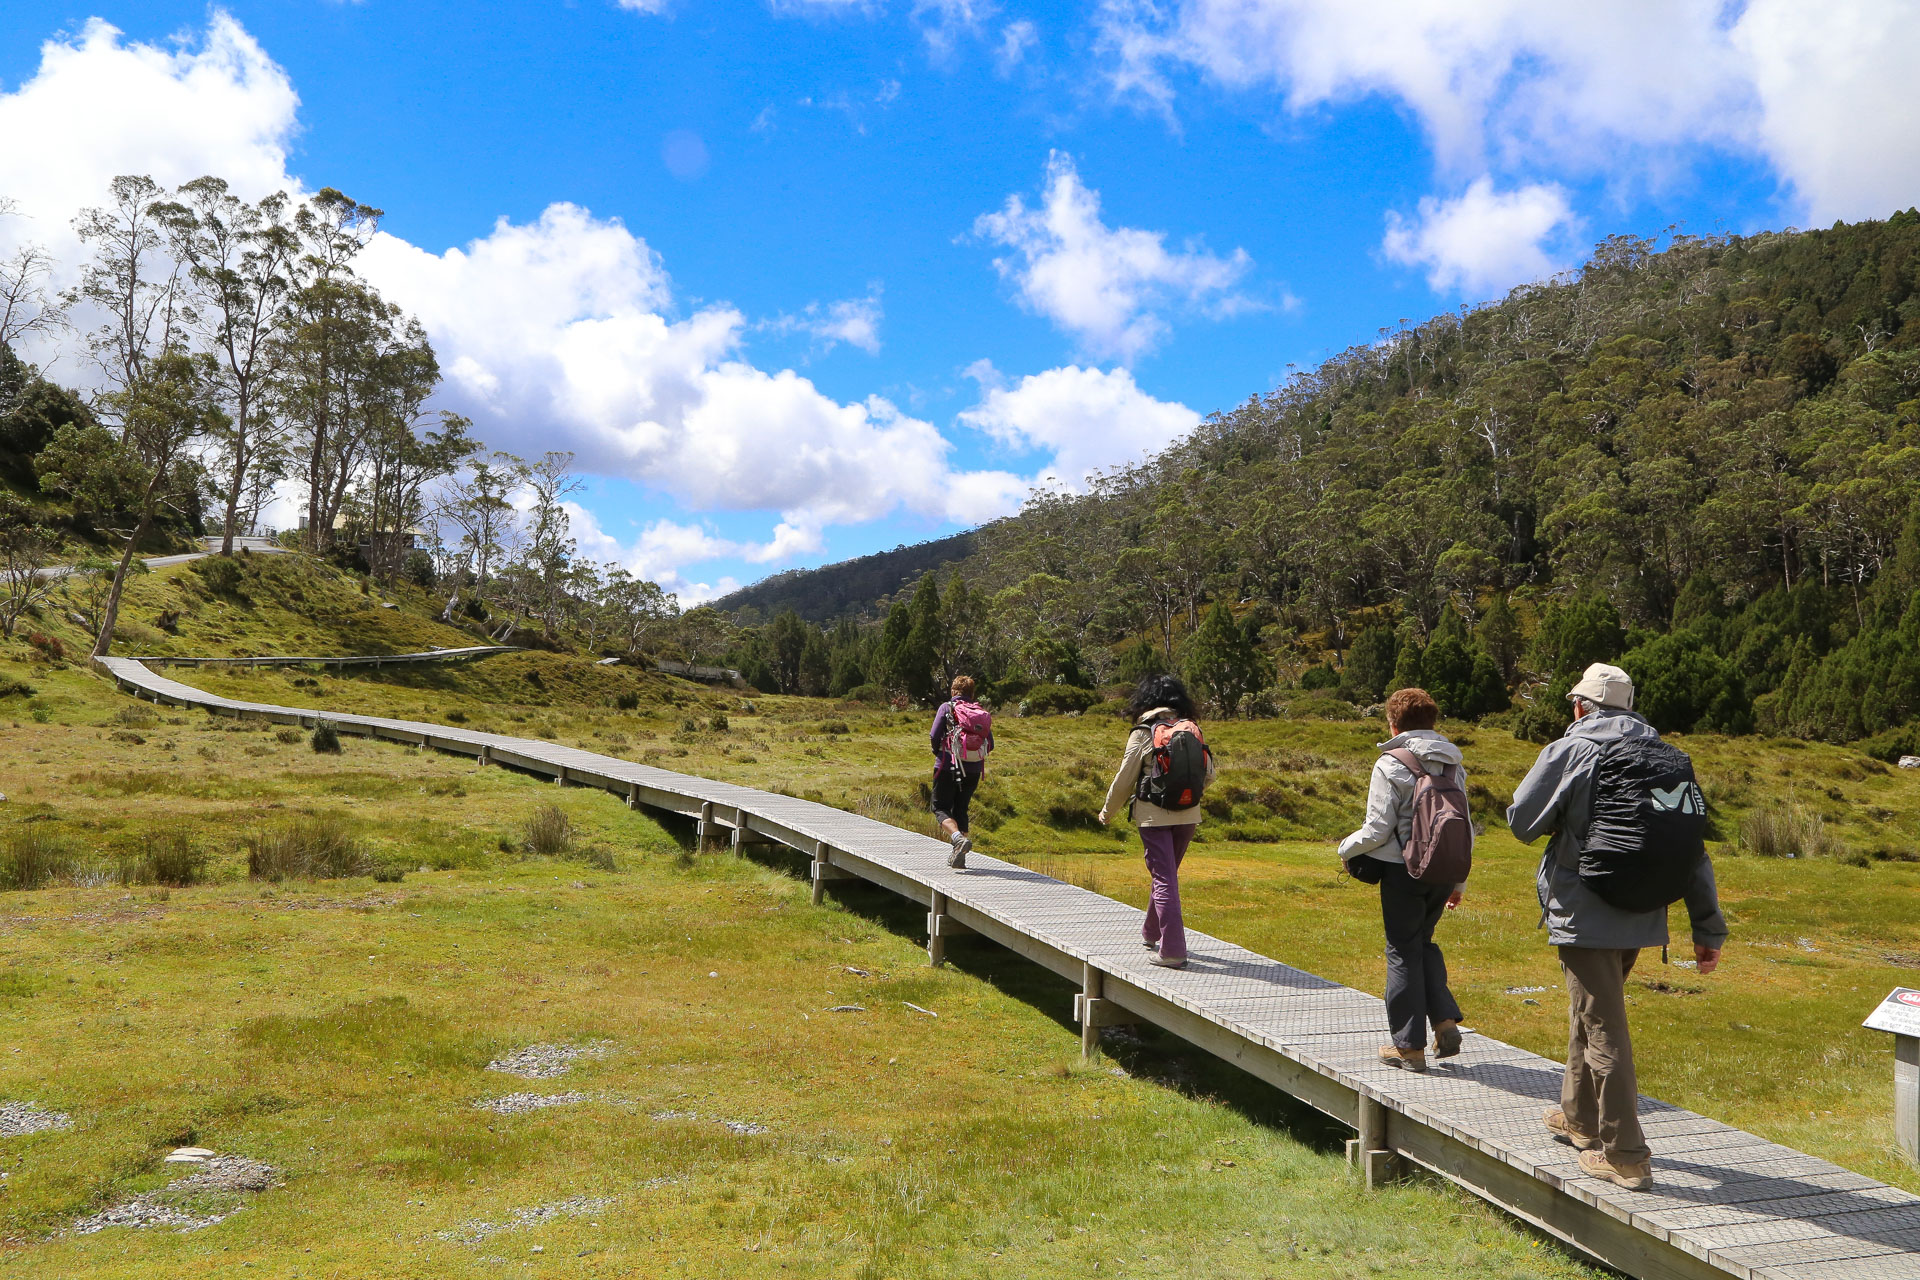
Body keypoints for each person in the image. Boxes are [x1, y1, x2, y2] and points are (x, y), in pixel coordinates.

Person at [1507, 662, 1728, 1192]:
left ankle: (1626, 1155)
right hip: (1645, 910)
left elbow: (1520, 821)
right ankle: (1578, 1118)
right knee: (1590, 1010)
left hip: (1585, 912)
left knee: (1604, 1026)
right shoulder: (1667, 757)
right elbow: (1690, 850)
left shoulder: (1572, 749)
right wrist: (1708, 929)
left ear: (1582, 705)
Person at [1337, 687, 1468, 1073]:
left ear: (1392, 723)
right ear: (1432, 721)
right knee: (1421, 943)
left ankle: (1408, 1048)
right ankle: (1443, 1021)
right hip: (1444, 870)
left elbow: (1377, 830)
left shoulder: (1390, 762)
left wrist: (1344, 849)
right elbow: (1465, 827)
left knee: (1401, 951)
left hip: (1404, 871)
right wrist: (1459, 881)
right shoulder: (1453, 763)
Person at [1098, 674, 1215, 969]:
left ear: (1146, 699)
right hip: (1189, 814)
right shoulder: (1190, 729)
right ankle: (1151, 933)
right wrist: (1185, 796)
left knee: (1163, 878)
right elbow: (1209, 774)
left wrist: (1107, 812)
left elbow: (1124, 779)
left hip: (1153, 816)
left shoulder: (1144, 731)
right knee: (1168, 876)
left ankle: (1173, 950)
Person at [929, 676, 993, 869]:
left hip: (948, 765)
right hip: (973, 770)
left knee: (939, 807)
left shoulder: (946, 708)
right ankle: (959, 856)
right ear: (972, 693)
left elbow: (934, 735)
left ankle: (957, 839)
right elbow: (990, 743)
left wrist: (939, 753)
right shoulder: (980, 713)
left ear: (953, 691)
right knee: (961, 808)